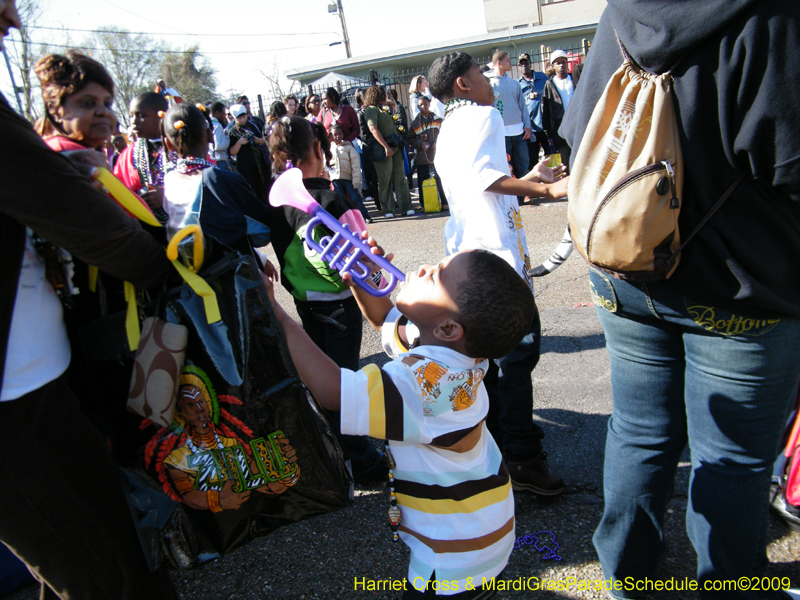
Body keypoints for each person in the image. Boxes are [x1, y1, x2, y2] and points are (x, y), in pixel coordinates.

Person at [560, 2, 800, 597]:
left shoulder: (624, 11)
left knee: (639, 431)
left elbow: (575, 130)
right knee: (732, 460)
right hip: (740, 285)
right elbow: (787, 158)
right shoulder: (770, 16)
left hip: (625, 265)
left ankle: (628, 577)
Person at [0, 4, 177, 598]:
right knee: (104, 571)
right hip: (15, 405)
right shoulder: (64, 161)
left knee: (99, 555)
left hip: (42, 381)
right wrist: (174, 269)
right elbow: (96, 233)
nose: (13, 17)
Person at [266, 246, 535, 598]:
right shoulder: (457, 352)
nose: (423, 268)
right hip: (481, 530)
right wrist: (361, 279)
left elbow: (334, 391)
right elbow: (387, 320)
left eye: (436, 275)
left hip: (453, 556)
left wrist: (280, 316)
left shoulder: (426, 385)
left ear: (449, 326)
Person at [428, 51, 568, 497]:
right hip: (498, 265)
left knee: (488, 365)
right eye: (480, 73)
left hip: (468, 257)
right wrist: (545, 187)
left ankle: (493, 459)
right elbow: (485, 178)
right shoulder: (483, 115)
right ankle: (524, 459)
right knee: (517, 360)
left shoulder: (449, 126)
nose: (488, 79)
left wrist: (527, 176)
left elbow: (480, 184)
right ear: (462, 84)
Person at [267, 115, 387, 484]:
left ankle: (332, 449)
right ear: (319, 149)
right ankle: (360, 458)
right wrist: (376, 268)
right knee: (344, 383)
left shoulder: (276, 205)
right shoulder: (334, 201)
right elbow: (363, 267)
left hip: (307, 303)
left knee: (319, 379)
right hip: (340, 302)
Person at [160, 103, 272, 258]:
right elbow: (264, 230)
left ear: (167, 144)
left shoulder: (167, 183)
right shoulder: (222, 181)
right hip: (234, 273)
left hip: (189, 275)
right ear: (210, 134)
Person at [33, 51, 117, 153]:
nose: (104, 112)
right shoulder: (68, 155)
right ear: (55, 110)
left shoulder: (85, 152)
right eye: (88, 103)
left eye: (107, 104)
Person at [114, 92, 170, 219]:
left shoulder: (182, 148)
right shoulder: (128, 155)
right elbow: (117, 189)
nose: (134, 121)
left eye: (142, 115)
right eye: (131, 116)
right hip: (142, 226)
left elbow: (201, 186)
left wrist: (167, 196)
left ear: (161, 116)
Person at [362, 85, 414, 218]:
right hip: (383, 148)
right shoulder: (371, 110)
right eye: (383, 94)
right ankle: (388, 209)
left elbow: (394, 105)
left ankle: (406, 206)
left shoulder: (384, 109)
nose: (386, 97)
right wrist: (386, 147)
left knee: (400, 178)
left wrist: (389, 102)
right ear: (377, 95)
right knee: (385, 180)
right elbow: (373, 129)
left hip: (395, 146)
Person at [489, 51, 530, 181]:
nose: (510, 63)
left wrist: (527, 126)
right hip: (501, 133)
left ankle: (526, 193)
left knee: (523, 163)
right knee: (507, 166)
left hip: (519, 132)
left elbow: (523, 106)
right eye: (507, 60)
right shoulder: (489, 85)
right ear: (499, 63)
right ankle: (512, 197)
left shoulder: (515, 84)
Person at [407, 95, 447, 209]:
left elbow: (445, 134)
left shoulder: (438, 119)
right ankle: (425, 204)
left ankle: (444, 202)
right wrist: (420, 143)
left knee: (440, 179)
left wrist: (437, 143)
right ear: (418, 106)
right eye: (420, 105)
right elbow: (410, 139)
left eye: (425, 104)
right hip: (422, 157)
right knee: (422, 180)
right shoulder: (415, 123)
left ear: (429, 104)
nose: (423, 106)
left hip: (436, 155)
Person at [228, 102, 271, 203]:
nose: (242, 120)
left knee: (265, 189)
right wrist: (239, 143)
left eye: (244, 117)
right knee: (253, 192)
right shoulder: (233, 131)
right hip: (246, 168)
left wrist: (258, 140)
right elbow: (231, 152)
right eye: (239, 118)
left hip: (261, 164)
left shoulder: (254, 125)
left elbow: (266, 140)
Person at [329, 122, 371, 223]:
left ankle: (365, 215)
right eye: (335, 134)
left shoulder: (348, 148)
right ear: (331, 136)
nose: (338, 136)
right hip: (336, 178)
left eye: (340, 133)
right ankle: (345, 220)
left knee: (355, 198)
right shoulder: (330, 149)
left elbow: (355, 165)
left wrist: (356, 179)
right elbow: (325, 163)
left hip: (348, 178)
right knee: (341, 200)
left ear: (343, 134)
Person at [541, 49, 574, 169]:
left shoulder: (574, 80)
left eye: (563, 62)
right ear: (553, 65)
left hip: (575, 126)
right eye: (558, 63)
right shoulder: (549, 85)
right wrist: (549, 135)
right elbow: (545, 111)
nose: (561, 65)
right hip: (559, 130)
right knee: (565, 162)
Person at [517, 52, 550, 168]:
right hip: (531, 128)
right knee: (532, 159)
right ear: (518, 67)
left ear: (530, 64)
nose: (524, 66)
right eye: (521, 64)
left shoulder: (543, 78)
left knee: (551, 155)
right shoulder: (518, 84)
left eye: (526, 63)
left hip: (545, 126)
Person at [209, 100, 231, 170]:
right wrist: (227, 137)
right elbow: (219, 145)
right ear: (217, 113)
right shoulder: (217, 125)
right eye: (223, 113)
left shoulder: (206, 124)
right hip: (219, 162)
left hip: (210, 160)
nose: (225, 116)